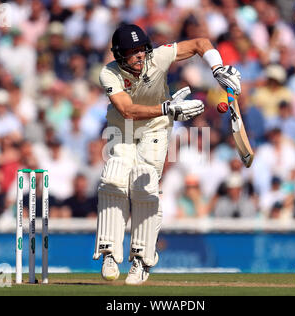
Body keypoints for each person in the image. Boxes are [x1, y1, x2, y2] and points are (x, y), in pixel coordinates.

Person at [93, 24, 241, 285]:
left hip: (156, 130)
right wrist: (167, 107)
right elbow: (127, 110)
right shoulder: (109, 73)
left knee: (143, 183)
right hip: (123, 129)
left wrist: (217, 69)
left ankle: (141, 259)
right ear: (119, 55)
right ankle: (108, 252)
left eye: (142, 50)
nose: (140, 56)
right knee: (114, 178)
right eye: (132, 52)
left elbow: (200, 43)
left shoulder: (157, 57)